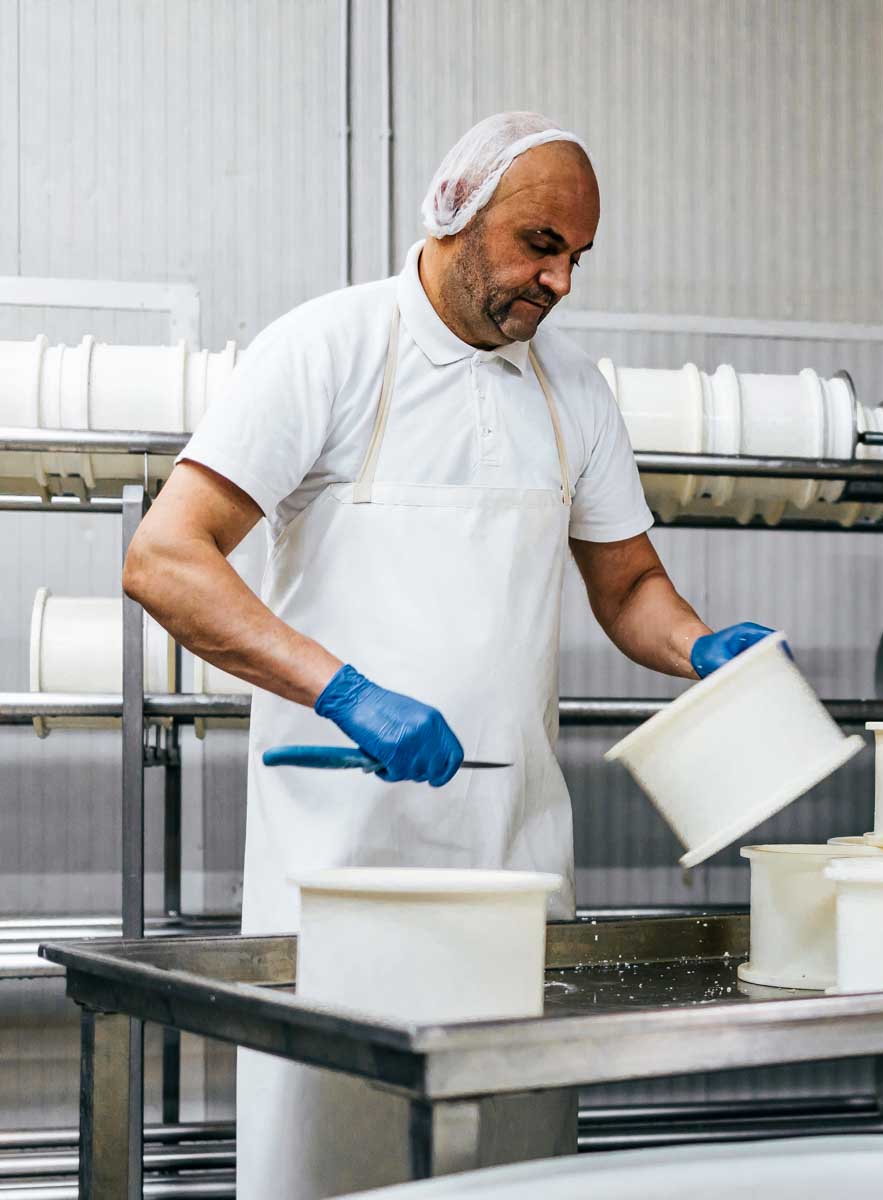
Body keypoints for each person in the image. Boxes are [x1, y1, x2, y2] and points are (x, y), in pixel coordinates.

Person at [123, 111, 774, 1199]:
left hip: (512, 885)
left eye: (576, 256)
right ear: (451, 214)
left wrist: (700, 643)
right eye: (539, 245)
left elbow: (630, 588)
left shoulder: (573, 393)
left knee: (509, 1176)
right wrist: (343, 690)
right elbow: (165, 560)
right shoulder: (328, 349)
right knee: (335, 1167)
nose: (561, 281)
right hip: (342, 884)